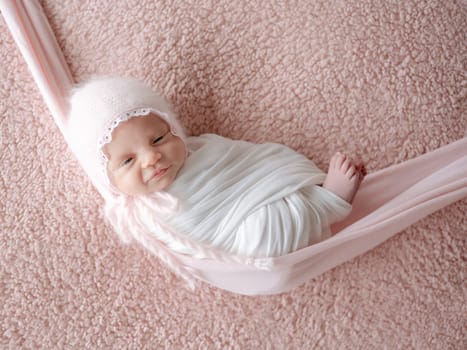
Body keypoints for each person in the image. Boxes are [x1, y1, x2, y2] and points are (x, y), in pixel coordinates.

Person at [67, 76, 365, 286]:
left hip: (262, 189)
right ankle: (329, 204)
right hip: (245, 243)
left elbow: (250, 160)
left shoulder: (204, 148)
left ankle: (314, 197)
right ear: (108, 181)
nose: (151, 158)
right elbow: (199, 252)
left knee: (275, 157)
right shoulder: (149, 215)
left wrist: (269, 178)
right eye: (128, 161)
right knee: (266, 237)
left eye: (158, 138)